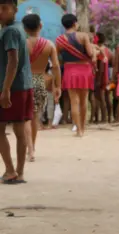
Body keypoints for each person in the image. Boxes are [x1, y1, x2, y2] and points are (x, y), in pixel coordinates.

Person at [0, 0, 33, 184]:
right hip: (23, 84)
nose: (0, 12)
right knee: (20, 129)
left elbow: (12, 60)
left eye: (4, 8)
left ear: (14, 10)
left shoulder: (10, 31)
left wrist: (5, 90)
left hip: (12, 87)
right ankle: (18, 172)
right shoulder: (19, 28)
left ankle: (10, 170)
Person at [22, 13, 61, 162]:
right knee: (34, 117)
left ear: (24, 28)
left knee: (25, 118)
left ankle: (29, 149)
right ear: (41, 25)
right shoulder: (49, 44)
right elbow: (56, 66)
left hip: (23, 81)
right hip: (40, 80)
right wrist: (58, 85)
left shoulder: (21, 43)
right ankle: (32, 149)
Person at [56, 14, 95, 137]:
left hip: (69, 70)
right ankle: (83, 128)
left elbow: (57, 58)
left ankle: (78, 130)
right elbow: (90, 53)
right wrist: (94, 51)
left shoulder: (59, 40)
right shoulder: (83, 36)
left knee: (74, 101)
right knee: (84, 101)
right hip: (84, 69)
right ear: (74, 23)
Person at [93, 32, 111, 123]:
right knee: (107, 97)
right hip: (107, 77)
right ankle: (109, 117)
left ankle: (102, 118)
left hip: (100, 77)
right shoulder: (107, 50)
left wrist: (98, 80)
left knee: (100, 98)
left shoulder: (99, 50)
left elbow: (101, 66)